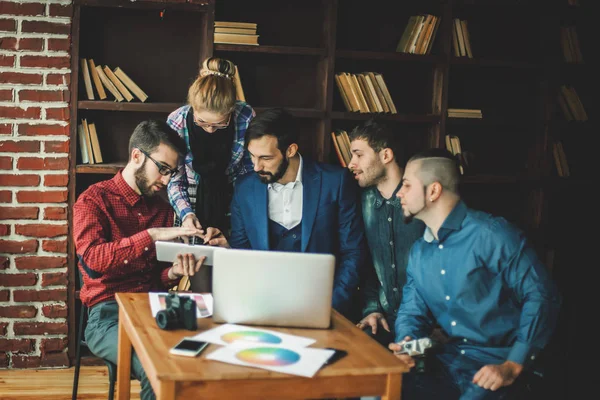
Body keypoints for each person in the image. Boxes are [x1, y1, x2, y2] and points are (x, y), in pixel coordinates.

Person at [389, 148, 561, 400]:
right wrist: (407, 345)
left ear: (433, 191)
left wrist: (513, 365)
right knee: (376, 391)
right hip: (447, 358)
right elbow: (412, 312)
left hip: (500, 364)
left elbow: (542, 295)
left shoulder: (492, 234)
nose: (399, 194)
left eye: (406, 185)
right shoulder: (418, 252)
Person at [73, 120, 205, 400]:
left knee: (206, 354)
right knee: (155, 368)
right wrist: (152, 235)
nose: (168, 180)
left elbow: (153, 276)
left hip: (155, 307)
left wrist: (172, 274)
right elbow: (94, 260)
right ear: (136, 156)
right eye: (164, 169)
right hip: (108, 314)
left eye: (172, 172)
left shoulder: (161, 209)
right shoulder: (93, 200)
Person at [204, 108, 367, 317]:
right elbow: (243, 252)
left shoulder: (336, 182)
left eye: (266, 158)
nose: (256, 167)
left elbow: (353, 252)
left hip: (324, 305)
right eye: (252, 156)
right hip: (262, 307)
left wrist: (332, 308)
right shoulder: (244, 188)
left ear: (290, 150)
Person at [347, 120, 424, 346]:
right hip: (383, 320)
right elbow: (367, 265)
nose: (351, 164)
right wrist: (372, 309)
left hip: (426, 323)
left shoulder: (422, 202)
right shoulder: (362, 202)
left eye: (358, 155)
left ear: (386, 155)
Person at [167, 56, 255, 235]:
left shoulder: (245, 116)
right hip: (188, 195)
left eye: (219, 124)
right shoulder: (176, 122)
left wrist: (237, 212)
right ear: (192, 107)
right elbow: (176, 179)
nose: (209, 130)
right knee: (190, 258)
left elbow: (249, 174)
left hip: (235, 193)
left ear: (231, 110)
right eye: (202, 122)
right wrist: (186, 214)